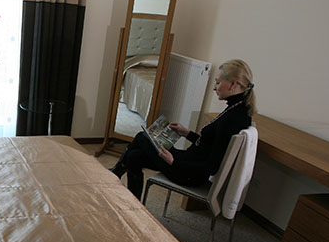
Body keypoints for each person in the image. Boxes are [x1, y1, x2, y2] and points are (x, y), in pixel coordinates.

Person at [109, 59, 257, 199]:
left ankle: (116, 172)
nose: (214, 87)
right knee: (134, 156)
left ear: (233, 84)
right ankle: (132, 201)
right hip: (187, 160)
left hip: (188, 173)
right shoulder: (237, 110)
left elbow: (211, 166)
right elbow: (209, 145)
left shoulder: (233, 119)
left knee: (143, 137)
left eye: (218, 82)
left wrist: (173, 162)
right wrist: (186, 133)